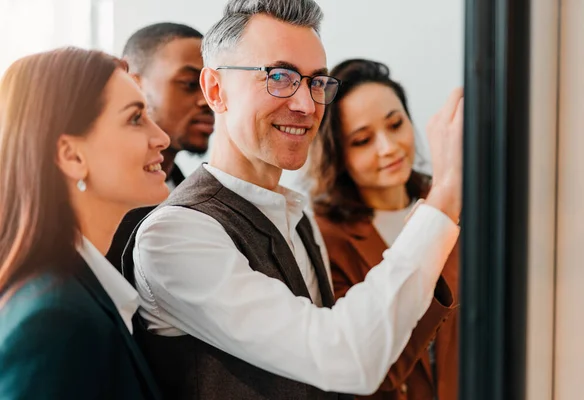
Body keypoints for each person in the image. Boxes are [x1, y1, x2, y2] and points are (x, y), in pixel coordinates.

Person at [124, 0, 464, 399]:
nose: (306, 105)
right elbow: (346, 355)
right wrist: (446, 194)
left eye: (316, 82)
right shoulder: (175, 235)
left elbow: (355, 376)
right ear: (216, 90)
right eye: (279, 77)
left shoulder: (297, 217)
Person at [0, 47, 170, 399]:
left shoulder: (78, 296)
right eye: (135, 119)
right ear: (72, 156)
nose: (162, 138)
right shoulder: (54, 322)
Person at [311, 59, 459, 400]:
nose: (389, 147)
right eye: (362, 140)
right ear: (338, 154)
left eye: (395, 124)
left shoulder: (459, 205)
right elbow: (375, 370)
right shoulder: (325, 238)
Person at [106, 22, 214, 268]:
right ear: (133, 84)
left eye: (213, 86)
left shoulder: (191, 194)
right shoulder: (102, 201)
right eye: (189, 83)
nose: (208, 100)